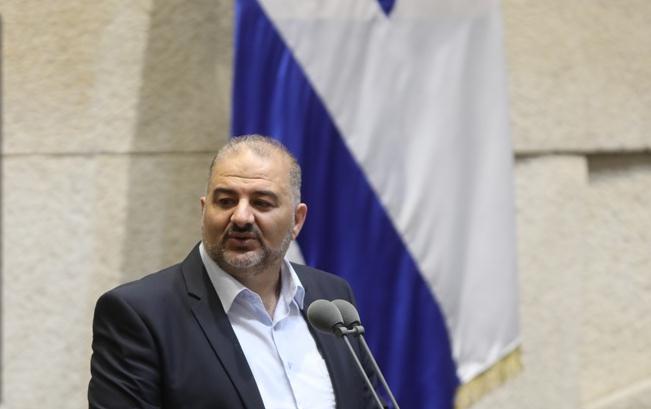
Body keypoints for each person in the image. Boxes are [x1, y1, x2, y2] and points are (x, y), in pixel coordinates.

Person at [88, 135, 379, 409]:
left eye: (261, 203)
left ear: (297, 220)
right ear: (204, 210)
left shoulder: (331, 299)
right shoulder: (140, 314)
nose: (241, 217)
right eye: (226, 201)